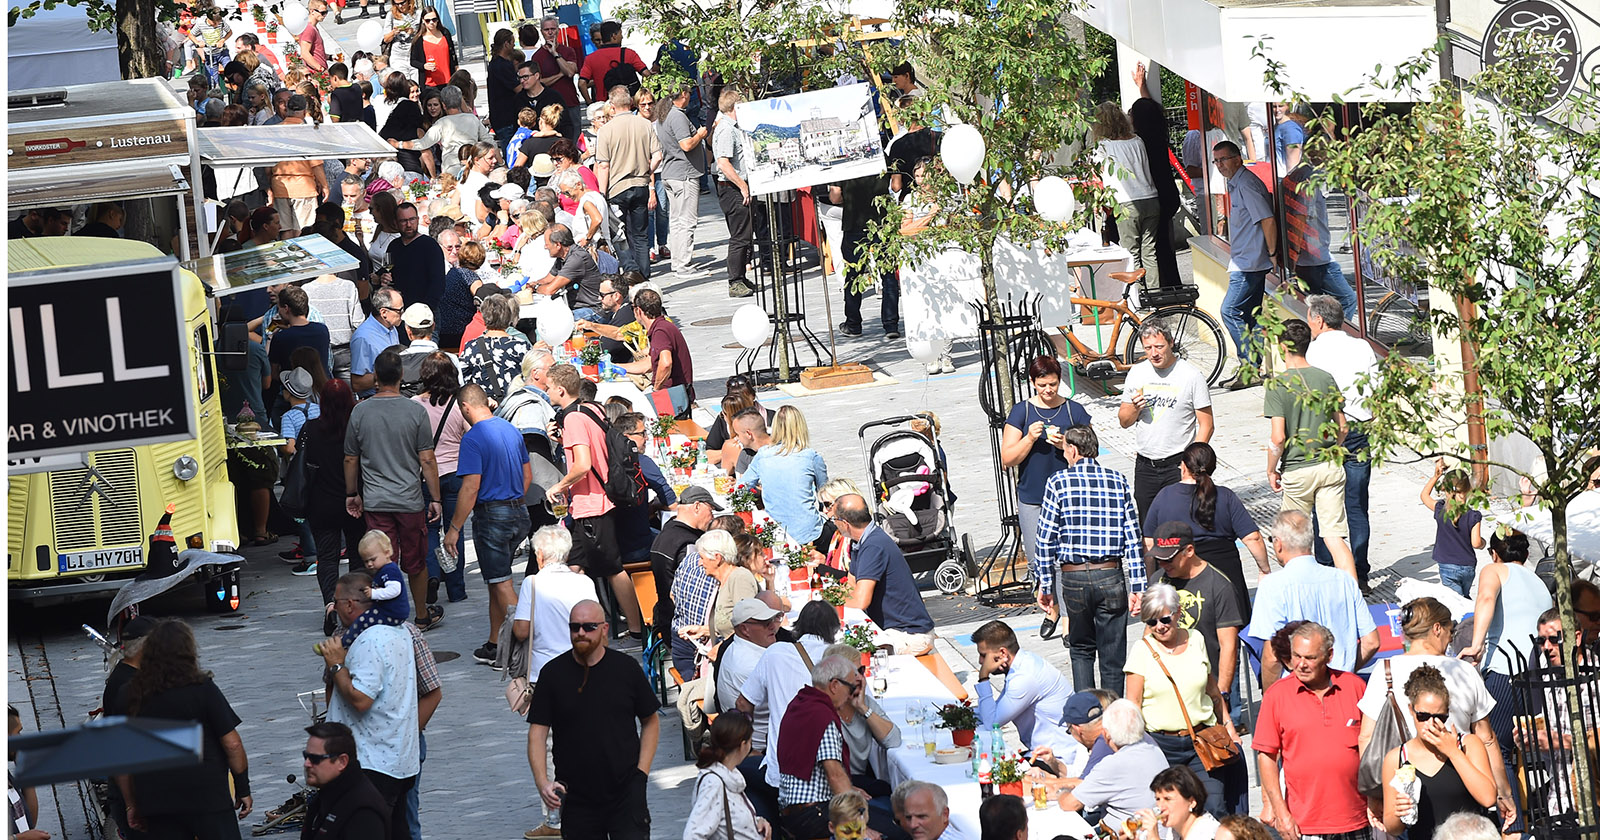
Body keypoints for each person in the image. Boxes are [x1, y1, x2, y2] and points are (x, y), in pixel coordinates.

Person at [1356, 597, 1516, 822]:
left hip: (1405, 787)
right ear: (1437, 628)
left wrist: (1375, 793)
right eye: (1451, 632)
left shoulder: (1385, 669)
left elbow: (1367, 736)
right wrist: (1503, 793)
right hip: (1461, 781)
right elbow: (1486, 738)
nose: (1450, 639)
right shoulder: (1464, 671)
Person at [528, 601, 661, 840]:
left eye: (589, 627)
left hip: (625, 793)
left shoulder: (626, 669)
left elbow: (650, 720)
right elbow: (537, 733)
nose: (581, 633)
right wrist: (542, 782)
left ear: (604, 629)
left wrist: (641, 774)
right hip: (576, 796)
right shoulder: (552, 674)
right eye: (575, 627)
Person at [116, 620, 252, 840]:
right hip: (207, 795)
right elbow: (232, 744)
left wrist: (131, 804)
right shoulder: (202, 688)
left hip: (156, 799)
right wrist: (242, 787)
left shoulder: (128, 694)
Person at [1033, 425, 1143, 693]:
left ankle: (1086, 711)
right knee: (1113, 655)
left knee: (1081, 650)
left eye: (1065, 450)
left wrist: (1045, 585)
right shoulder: (1117, 480)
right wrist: (1139, 586)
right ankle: (1113, 711)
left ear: (1072, 450)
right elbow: (1133, 536)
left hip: (1074, 577)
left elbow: (1045, 538)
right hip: (1110, 574)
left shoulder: (1058, 482)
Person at [1124, 583, 1244, 818]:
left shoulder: (1196, 639)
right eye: (1151, 622)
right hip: (1161, 746)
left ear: (1177, 613)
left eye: (1164, 619)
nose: (1159, 627)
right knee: (1170, 813)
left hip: (1202, 740)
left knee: (1214, 807)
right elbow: (1133, 706)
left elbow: (1213, 691)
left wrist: (1230, 728)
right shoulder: (1141, 651)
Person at [344, 348, 442, 628]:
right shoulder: (415, 411)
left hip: (376, 500)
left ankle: (385, 616)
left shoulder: (360, 411)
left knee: (380, 561)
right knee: (416, 562)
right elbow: (427, 459)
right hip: (409, 500)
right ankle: (421, 615)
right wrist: (435, 498)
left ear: (375, 376)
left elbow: (350, 458)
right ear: (401, 376)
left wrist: (352, 493)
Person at [544, 364, 644, 637]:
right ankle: (575, 624)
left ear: (561, 390)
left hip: (592, 504)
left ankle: (636, 628)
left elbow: (583, 464)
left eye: (549, 387)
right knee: (573, 566)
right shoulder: (591, 408)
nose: (547, 391)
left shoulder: (573, 419)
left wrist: (559, 485)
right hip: (588, 504)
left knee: (612, 568)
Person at [322, 574, 420, 840]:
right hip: (398, 760)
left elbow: (361, 700)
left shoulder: (369, 640)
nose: (333, 609)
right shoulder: (400, 630)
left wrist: (336, 665)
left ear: (350, 604)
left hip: (372, 764)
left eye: (335, 602)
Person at [1253, 622, 1370, 840]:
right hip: (1304, 825)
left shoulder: (1355, 687)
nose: (1301, 664)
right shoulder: (1277, 696)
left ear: (1329, 656)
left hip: (1357, 817)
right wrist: (1279, 811)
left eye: (1310, 658)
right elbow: (1266, 757)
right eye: (1296, 656)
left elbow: (1376, 748)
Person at [443, 384, 532, 665]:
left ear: (465, 407)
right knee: (496, 579)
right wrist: (513, 498)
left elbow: (470, 487)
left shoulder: (473, 438)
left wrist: (454, 529)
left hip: (493, 516)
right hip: (518, 512)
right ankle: (495, 644)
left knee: (502, 583)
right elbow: (527, 475)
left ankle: (534, 642)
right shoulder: (511, 429)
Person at [1266, 319, 1357, 576]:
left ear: (1283, 346)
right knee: (1334, 538)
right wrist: (1333, 450)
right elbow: (1343, 427)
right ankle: (1352, 591)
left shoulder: (1278, 384)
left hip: (1297, 470)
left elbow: (1278, 438)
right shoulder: (1324, 378)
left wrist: (1271, 470)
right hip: (1329, 466)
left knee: (1293, 540)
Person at [1247, 511, 1376, 686]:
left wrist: (1271, 695)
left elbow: (1271, 656)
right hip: (1341, 688)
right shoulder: (1344, 580)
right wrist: (1344, 673)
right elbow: (1371, 642)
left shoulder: (1272, 586)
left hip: (1296, 689)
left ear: (1278, 544)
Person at [1144, 442, 1266, 623]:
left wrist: (1152, 581)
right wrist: (1264, 570)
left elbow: (1148, 543)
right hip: (1226, 575)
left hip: (1181, 575)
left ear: (1183, 466)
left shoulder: (1164, 496)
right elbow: (1253, 538)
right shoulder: (1226, 496)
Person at [773, 655, 890, 840]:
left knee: (881, 796)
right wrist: (857, 826)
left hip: (792, 811)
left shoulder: (800, 703)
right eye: (851, 688)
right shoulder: (822, 716)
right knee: (899, 830)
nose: (851, 695)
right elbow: (834, 774)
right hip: (814, 813)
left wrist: (850, 788)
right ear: (834, 685)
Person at [1002, 355, 1092, 591]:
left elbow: (1091, 453)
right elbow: (1007, 458)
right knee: (1038, 562)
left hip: (1070, 498)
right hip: (1033, 498)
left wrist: (1065, 446)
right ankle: (1048, 605)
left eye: (1053, 384)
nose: (1048, 390)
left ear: (1060, 380)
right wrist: (1029, 439)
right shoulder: (1022, 411)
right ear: (1033, 383)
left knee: (1071, 559)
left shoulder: (1074, 411)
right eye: (1042, 385)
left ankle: (1068, 606)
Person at [1380, 665, 1497, 840]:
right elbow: (1392, 827)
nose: (1431, 723)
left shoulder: (1468, 744)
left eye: (1440, 717)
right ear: (1411, 710)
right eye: (1423, 716)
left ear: (1448, 714)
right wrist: (1399, 812)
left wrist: (1453, 752)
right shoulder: (1397, 758)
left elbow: (1488, 798)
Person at [1120, 322, 1214, 521]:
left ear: (1171, 343)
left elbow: (1206, 424)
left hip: (1178, 464)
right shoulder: (1137, 373)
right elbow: (1124, 421)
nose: (1154, 353)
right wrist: (1135, 408)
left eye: (1159, 346)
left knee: (1182, 522)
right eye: (1148, 348)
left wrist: (1192, 462)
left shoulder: (1191, 376)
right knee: (1148, 524)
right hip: (1145, 464)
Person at [1147, 523, 1243, 717]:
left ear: (1189, 551)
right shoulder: (1158, 581)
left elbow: (1228, 645)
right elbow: (1149, 634)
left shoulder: (1219, 586)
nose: (1163, 565)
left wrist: (1222, 694)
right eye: (1159, 559)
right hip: (1166, 692)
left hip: (1204, 694)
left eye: (1169, 559)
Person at [1211, 139, 1277, 384]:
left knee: (1229, 311)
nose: (1220, 165)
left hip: (1250, 263)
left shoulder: (1247, 184)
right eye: (1216, 161)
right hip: (1244, 260)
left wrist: (1272, 253)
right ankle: (1252, 370)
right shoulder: (1235, 183)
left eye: (1224, 159)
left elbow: (1267, 219)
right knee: (1250, 315)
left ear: (1238, 159)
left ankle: (1249, 367)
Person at [834, 494, 935, 654]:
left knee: (843, 652)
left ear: (845, 523)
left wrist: (827, 602)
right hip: (894, 629)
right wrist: (830, 595)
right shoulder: (860, 541)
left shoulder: (873, 545)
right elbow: (851, 585)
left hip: (910, 634)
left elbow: (860, 601)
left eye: (834, 519)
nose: (833, 523)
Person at [1055, 699, 1166, 828]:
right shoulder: (1151, 745)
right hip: (1159, 828)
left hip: (1132, 832)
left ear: (1106, 734)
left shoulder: (1113, 764)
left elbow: (1069, 804)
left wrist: (1061, 792)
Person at [971, 620, 1076, 755]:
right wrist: (963, 713)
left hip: (1058, 756)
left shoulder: (1024, 677)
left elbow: (991, 723)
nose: (980, 661)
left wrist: (983, 677)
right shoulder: (1023, 663)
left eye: (983, 655)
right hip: (1046, 751)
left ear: (1003, 653)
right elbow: (993, 710)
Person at [511, 527, 600, 676]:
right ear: (567, 555)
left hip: (542, 669)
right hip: (582, 664)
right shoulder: (585, 582)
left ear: (540, 555)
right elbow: (597, 626)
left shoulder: (532, 583)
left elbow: (521, 632)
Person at [596, 87, 663, 278]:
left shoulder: (605, 130)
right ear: (631, 103)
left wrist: (602, 194)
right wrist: (647, 171)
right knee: (641, 235)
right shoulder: (645, 124)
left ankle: (630, 271)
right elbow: (658, 155)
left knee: (619, 233)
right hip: (640, 184)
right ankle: (644, 276)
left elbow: (603, 165)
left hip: (617, 188)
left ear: (612, 106)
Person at [740, 406, 830, 548]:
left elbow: (741, 488)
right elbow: (825, 494)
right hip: (808, 532)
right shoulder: (811, 456)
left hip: (776, 531)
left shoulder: (763, 455)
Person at [1128, 64, 1182, 289]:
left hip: (1155, 196)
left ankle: (1162, 286)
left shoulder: (1138, 143)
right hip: (1169, 194)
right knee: (1164, 245)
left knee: (1154, 247)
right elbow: (1152, 111)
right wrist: (1142, 88)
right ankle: (1172, 284)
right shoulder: (1158, 133)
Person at [1092, 101, 1161, 274]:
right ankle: (1154, 289)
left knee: (1131, 254)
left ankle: (1136, 290)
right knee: (1150, 253)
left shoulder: (1103, 145)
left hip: (1125, 202)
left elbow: (1097, 172)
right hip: (1151, 198)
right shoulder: (1137, 140)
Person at [686, 713, 771, 840]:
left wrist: (756, 822)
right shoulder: (714, 783)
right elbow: (693, 834)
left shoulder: (730, 776)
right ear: (743, 745)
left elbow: (729, 818)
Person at [299, 721, 390, 839]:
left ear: (342, 761)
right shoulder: (327, 795)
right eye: (306, 756)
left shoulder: (363, 812)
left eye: (315, 758)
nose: (307, 764)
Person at [649, 485, 718, 637]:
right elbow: (699, 594)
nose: (712, 517)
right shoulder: (690, 545)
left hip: (664, 615)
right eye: (711, 510)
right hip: (683, 628)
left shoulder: (666, 531)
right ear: (697, 506)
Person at [659, 85, 709, 278]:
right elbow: (686, 145)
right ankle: (683, 265)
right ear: (684, 94)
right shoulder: (677, 116)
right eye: (689, 92)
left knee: (677, 222)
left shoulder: (666, 113)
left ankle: (678, 262)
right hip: (683, 175)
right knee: (687, 221)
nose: (690, 96)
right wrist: (700, 135)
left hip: (672, 173)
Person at [714, 88, 758, 298]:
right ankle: (735, 281)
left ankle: (741, 276)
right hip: (731, 188)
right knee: (739, 236)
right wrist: (742, 185)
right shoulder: (726, 129)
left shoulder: (734, 127)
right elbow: (723, 163)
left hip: (739, 186)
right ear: (734, 107)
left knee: (746, 234)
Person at [1421, 460, 1485, 598]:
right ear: (1468, 489)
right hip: (1467, 565)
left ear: (1445, 489)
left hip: (1447, 564)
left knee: (1456, 601)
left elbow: (1424, 496)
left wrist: (1436, 476)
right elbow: (1476, 543)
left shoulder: (1440, 510)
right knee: (1464, 597)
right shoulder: (1473, 516)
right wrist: (1483, 542)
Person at [337, 530, 411, 646]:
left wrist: (374, 593)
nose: (370, 564)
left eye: (373, 559)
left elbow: (395, 590)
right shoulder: (382, 570)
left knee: (363, 621)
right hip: (388, 611)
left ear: (387, 553)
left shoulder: (390, 570)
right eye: (366, 561)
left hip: (392, 612)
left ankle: (345, 642)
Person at [461, 295, 534, 404]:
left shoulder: (471, 347)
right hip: (515, 405)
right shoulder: (522, 346)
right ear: (508, 317)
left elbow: (463, 380)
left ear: (484, 317)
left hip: (483, 406)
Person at [718, 598, 785, 712]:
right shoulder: (750, 665)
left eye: (774, 620)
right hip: (758, 724)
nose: (773, 626)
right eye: (766, 623)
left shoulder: (737, 647)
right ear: (744, 629)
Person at [1125, 766, 1221, 840]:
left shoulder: (1209, 833)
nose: (1160, 807)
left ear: (1192, 802)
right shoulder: (1175, 830)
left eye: (1168, 799)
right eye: (1158, 799)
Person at [630, 288, 692, 397]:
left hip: (672, 396)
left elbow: (666, 363)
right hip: (677, 392)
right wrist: (615, 367)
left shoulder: (660, 331)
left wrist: (656, 389)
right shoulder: (663, 326)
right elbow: (648, 364)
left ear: (638, 310)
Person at [577, 20, 649, 103]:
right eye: (620, 34)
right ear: (614, 36)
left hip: (605, 104)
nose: (622, 37)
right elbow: (646, 74)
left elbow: (581, 83)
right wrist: (641, 95)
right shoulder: (629, 53)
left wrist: (589, 102)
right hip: (629, 103)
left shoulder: (590, 58)